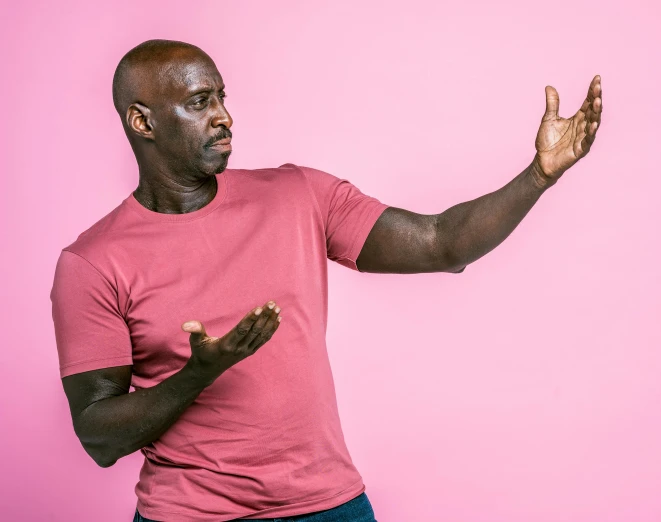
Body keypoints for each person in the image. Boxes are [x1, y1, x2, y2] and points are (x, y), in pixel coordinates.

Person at [50, 39, 602, 522]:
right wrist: (199, 372)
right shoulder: (93, 262)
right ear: (143, 122)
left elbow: (442, 243)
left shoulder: (298, 195)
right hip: (192, 515)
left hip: (328, 508)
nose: (224, 116)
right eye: (200, 102)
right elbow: (99, 435)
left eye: (221, 96)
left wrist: (538, 176)